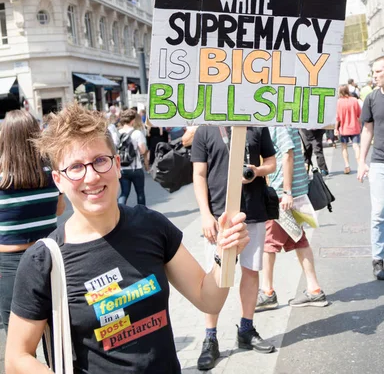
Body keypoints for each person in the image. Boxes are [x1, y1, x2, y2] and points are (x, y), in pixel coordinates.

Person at [5, 103, 249, 374]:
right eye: (75, 167)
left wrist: (226, 251)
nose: (91, 176)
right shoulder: (44, 261)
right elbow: (17, 357)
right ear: (58, 180)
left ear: (117, 164)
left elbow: (208, 299)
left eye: (100, 160)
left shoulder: (151, 226)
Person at [192, 126, 277, 370]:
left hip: (254, 210)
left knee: (251, 271)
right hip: (219, 215)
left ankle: (247, 329)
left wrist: (256, 171)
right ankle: (210, 337)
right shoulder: (206, 130)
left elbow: (271, 161)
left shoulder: (257, 125)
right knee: (216, 276)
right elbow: (199, 174)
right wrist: (205, 214)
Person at [0, 110, 65, 333]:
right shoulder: (50, 171)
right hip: (47, 255)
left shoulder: (2, 176)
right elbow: (60, 209)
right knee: (56, 330)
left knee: (17, 335)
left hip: (9, 263)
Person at [256, 126, 327, 312]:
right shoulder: (284, 122)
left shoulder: (277, 125)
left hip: (282, 192)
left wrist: (286, 191)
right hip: (291, 190)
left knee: (268, 241)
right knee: (298, 238)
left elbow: (288, 154)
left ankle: (267, 292)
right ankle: (314, 289)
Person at [357, 55, 384, 281]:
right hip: (380, 164)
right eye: (373, 72)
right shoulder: (372, 98)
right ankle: (377, 260)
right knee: (379, 215)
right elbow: (367, 131)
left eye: (378, 72)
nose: (374, 76)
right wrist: (362, 161)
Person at [117, 109, 148, 206]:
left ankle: (120, 212)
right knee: (140, 193)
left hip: (122, 168)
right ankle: (142, 214)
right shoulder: (137, 133)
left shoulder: (117, 133)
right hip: (136, 167)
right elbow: (143, 151)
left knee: (124, 193)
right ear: (132, 120)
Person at [335, 84, 361, 174]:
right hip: (354, 127)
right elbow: (359, 115)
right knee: (356, 146)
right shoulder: (354, 100)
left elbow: (337, 117)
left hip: (344, 128)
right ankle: (360, 165)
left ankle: (347, 166)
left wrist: (336, 129)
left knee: (344, 147)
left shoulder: (338, 102)